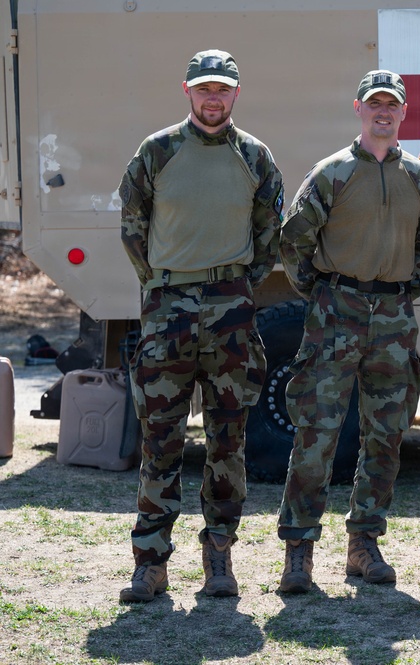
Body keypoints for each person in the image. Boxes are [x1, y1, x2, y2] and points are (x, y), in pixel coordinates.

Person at [118, 49, 284, 601]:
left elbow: (268, 236)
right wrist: (162, 283)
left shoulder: (254, 157)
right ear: (187, 91)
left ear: (236, 93)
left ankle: (219, 558)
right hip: (167, 311)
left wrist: (233, 284)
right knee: (160, 439)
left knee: (226, 440)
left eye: (223, 89)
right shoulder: (157, 151)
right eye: (204, 88)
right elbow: (132, 225)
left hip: (230, 312)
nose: (214, 98)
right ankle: (151, 562)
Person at [275, 70, 420, 588]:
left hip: (393, 318)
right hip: (335, 315)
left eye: (393, 105)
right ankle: (299, 549)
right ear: (358, 109)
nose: (383, 112)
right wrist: (324, 292)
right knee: (318, 432)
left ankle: (364, 544)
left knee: (387, 435)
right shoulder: (332, 173)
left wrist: (400, 289)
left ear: (404, 113)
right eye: (375, 104)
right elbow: (294, 242)